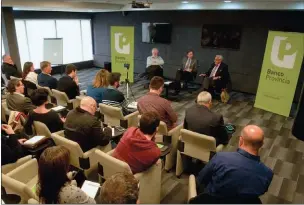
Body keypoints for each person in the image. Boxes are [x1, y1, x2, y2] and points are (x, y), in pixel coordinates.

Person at [195, 125, 273, 200]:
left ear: (241, 140)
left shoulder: (221, 158)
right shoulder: (267, 174)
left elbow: (201, 179)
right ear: (261, 145)